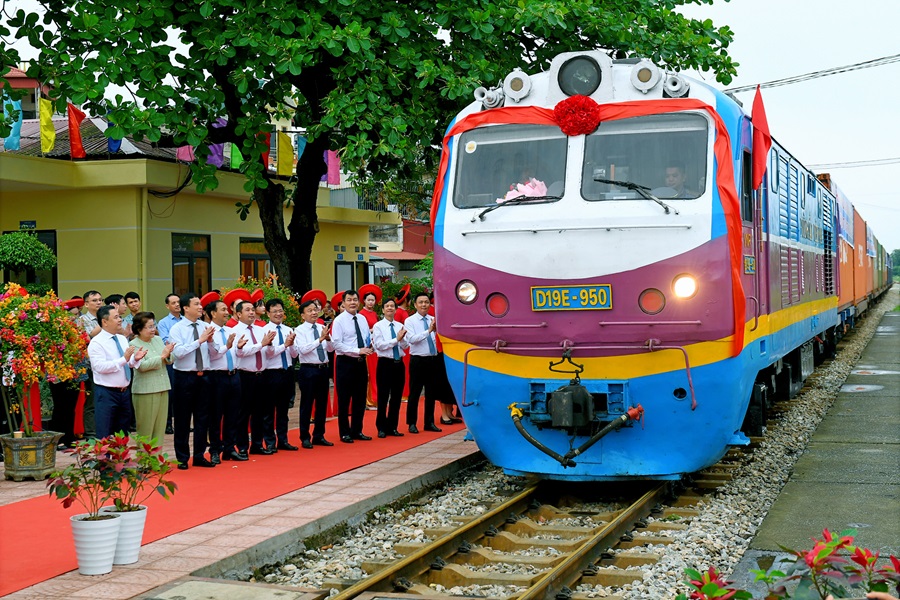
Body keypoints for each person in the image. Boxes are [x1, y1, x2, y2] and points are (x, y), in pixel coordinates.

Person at [167, 293, 216, 470]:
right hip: (184, 377)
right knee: (182, 418)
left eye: (200, 304)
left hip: (204, 376)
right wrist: (199, 341)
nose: (200, 307)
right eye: (196, 304)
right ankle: (182, 457)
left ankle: (199, 455)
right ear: (186, 308)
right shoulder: (177, 328)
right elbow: (178, 353)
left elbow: (215, 352)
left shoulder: (206, 326)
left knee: (203, 418)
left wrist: (210, 342)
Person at [88, 305, 146, 438]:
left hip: (124, 392)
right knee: (105, 433)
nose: (120, 320)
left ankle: (120, 459)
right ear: (105, 321)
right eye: (116, 317)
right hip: (106, 393)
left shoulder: (121, 338)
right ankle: (105, 459)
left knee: (122, 432)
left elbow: (128, 362)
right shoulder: (97, 343)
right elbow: (100, 367)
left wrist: (134, 359)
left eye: (119, 316)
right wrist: (123, 359)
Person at [204, 295, 245, 462]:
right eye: (223, 310)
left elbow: (236, 354)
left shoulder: (230, 330)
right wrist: (226, 346)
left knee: (233, 414)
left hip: (233, 375)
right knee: (215, 416)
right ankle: (215, 449)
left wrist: (239, 348)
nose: (227, 312)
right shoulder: (208, 332)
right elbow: (213, 355)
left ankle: (229, 448)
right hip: (216, 377)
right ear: (213, 313)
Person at [233, 300, 276, 454]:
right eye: (247, 310)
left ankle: (257, 444)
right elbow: (240, 353)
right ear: (238, 314)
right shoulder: (235, 331)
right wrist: (261, 344)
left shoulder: (260, 329)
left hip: (262, 375)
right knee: (243, 413)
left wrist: (269, 345)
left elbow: (269, 354)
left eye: (252, 309)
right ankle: (242, 446)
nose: (251, 312)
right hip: (245, 375)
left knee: (259, 412)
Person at [330, 289, 372, 443]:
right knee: (344, 399)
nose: (352, 302)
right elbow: (337, 345)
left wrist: (369, 346)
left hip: (361, 362)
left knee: (360, 399)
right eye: (349, 300)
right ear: (343, 303)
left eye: (355, 299)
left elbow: (366, 336)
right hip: (345, 363)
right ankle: (344, 432)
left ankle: (357, 430)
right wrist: (356, 350)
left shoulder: (362, 319)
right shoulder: (339, 321)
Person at [128, 311, 175, 443]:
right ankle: (145, 460)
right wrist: (162, 356)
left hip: (163, 386)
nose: (153, 329)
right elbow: (142, 366)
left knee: (160, 428)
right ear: (139, 329)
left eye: (154, 325)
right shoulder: (134, 344)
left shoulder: (158, 340)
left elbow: (169, 360)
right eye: (149, 327)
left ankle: (157, 460)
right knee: (146, 429)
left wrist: (169, 353)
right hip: (145, 390)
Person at [294, 299, 334, 448]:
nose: (314, 312)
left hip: (323, 369)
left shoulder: (322, 327)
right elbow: (303, 350)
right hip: (308, 369)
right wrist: (320, 339)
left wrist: (328, 339)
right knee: (307, 404)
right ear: (303, 315)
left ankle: (319, 435)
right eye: (310, 310)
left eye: (315, 309)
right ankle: (304, 436)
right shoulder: (299, 330)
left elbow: (330, 350)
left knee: (322, 403)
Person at [49, 297, 88, 448]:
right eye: (72, 315)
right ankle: (57, 439)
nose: (75, 318)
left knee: (72, 406)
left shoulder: (79, 331)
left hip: (75, 372)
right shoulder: (55, 330)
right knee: (60, 406)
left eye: (77, 315)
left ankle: (70, 437)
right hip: (58, 372)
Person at [261, 298, 298, 451]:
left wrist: (292, 344)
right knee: (269, 410)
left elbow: (295, 354)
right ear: (268, 313)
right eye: (274, 311)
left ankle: (283, 440)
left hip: (287, 372)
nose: (278, 314)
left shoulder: (289, 329)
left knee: (283, 410)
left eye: (280, 311)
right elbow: (269, 354)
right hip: (271, 373)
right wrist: (285, 345)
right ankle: (270, 441)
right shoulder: (264, 331)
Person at [405, 293, 442, 434]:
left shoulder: (433, 319)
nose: (424, 305)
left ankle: (429, 422)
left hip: (432, 359)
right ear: (415, 305)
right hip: (418, 360)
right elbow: (412, 339)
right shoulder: (410, 321)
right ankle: (412, 423)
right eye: (420, 302)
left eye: (426, 302)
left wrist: (436, 330)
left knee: (431, 393)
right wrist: (429, 331)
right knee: (415, 392)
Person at [371, 298, 408, 438]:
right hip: (385, 363)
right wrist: (396, 339)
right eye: (387, 306)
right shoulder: (378, 326)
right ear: (382, 309)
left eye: (392, 306)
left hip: (399, 363)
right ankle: (381, 427)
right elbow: (379, 345)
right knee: (383, 396)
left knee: (397, 397)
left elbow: (405, 346)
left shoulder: (400, 325)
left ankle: (393, 426)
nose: (390, 308)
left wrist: (402, 339)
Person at [79, 290, 104, 438]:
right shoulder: (82, 321)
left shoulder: (107, 318)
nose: (99, 302)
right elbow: (85, 339)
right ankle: (90, 433)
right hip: (90, 366)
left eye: (100, 300)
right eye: (94, 300)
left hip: (108, 365)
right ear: (86, 304)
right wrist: (103, 325)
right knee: (92, 401)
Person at [156, 293, 182, 435]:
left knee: (181, 394)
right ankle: (167, 424)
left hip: (185, 361)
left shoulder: (186, 320)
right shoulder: (163, 323)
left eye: (178, 302)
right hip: (172, 360)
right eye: (173, 303)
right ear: (167, 306)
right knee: (170, 394)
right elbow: (166, 340)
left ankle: (180, 423)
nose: (177, 305)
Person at [359, 284, 381, 409]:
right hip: (368, 346)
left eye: (373, 300)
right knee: (369, 373)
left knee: (376, 373)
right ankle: (370, 400)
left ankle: (376, 398)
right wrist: (374, 329)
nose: (371, 302)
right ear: (364, 301)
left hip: (376, 345)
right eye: (369, 300)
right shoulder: (361, 314)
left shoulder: (374, 314)